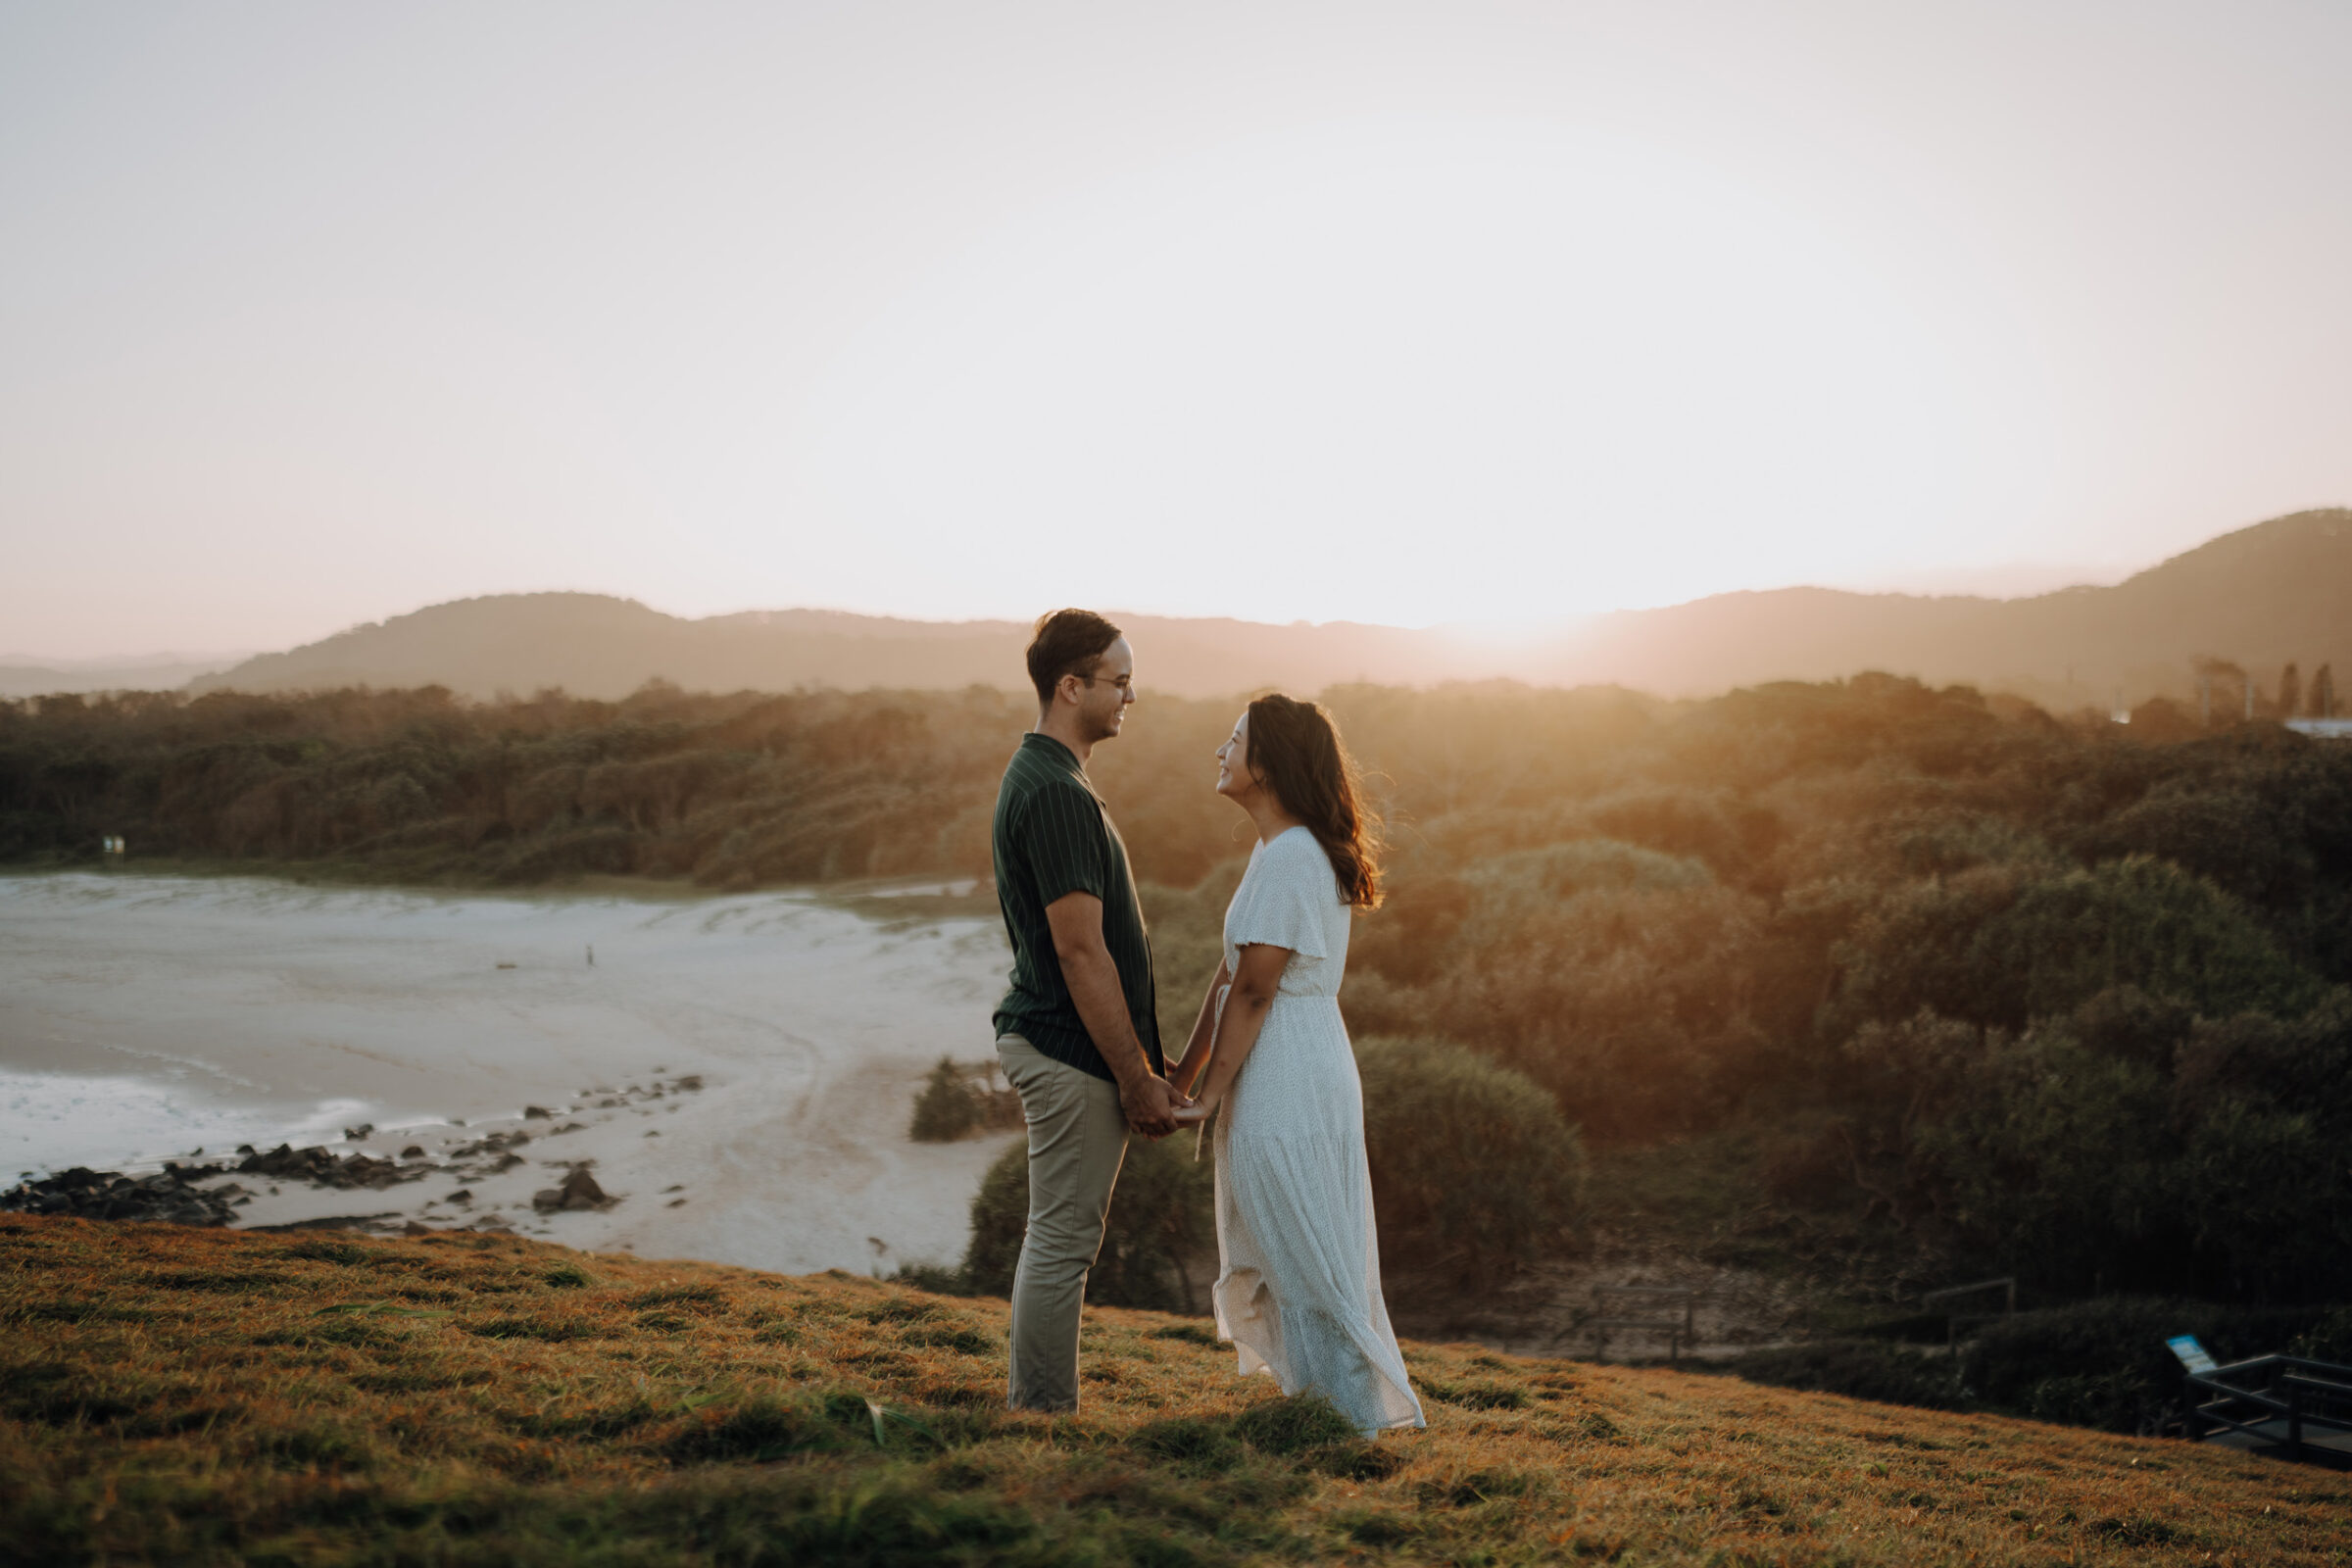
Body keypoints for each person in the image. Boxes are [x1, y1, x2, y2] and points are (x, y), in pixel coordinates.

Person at [1171, 694, 1425, 1438]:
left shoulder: (1291, 858)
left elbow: (1254, 990)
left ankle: (1349, 1425)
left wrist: (1208, 1096)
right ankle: (1322, 1413)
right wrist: (1184, 1074)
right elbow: (1229, 976)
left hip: (1288, 1066)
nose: (1219, 750)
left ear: (1270, 763)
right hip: (1287, 1057)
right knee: (1291, 1243)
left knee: (1308, 1250)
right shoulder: (1277, 850)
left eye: (1234, 739)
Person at [991, 609, 1191, 1412]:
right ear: (1070, 687)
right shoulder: (1057, 795)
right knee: (1063, 1243)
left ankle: (1036, 1411)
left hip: (1071, 1046)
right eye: (1119, 681)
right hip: (1071, 1053)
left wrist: (1147, 1059)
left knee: (1060, 1238)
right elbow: (1080, 951)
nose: (1130, 697)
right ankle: (1040, 1419)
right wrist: (1135, 1078)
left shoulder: (1045, 777)